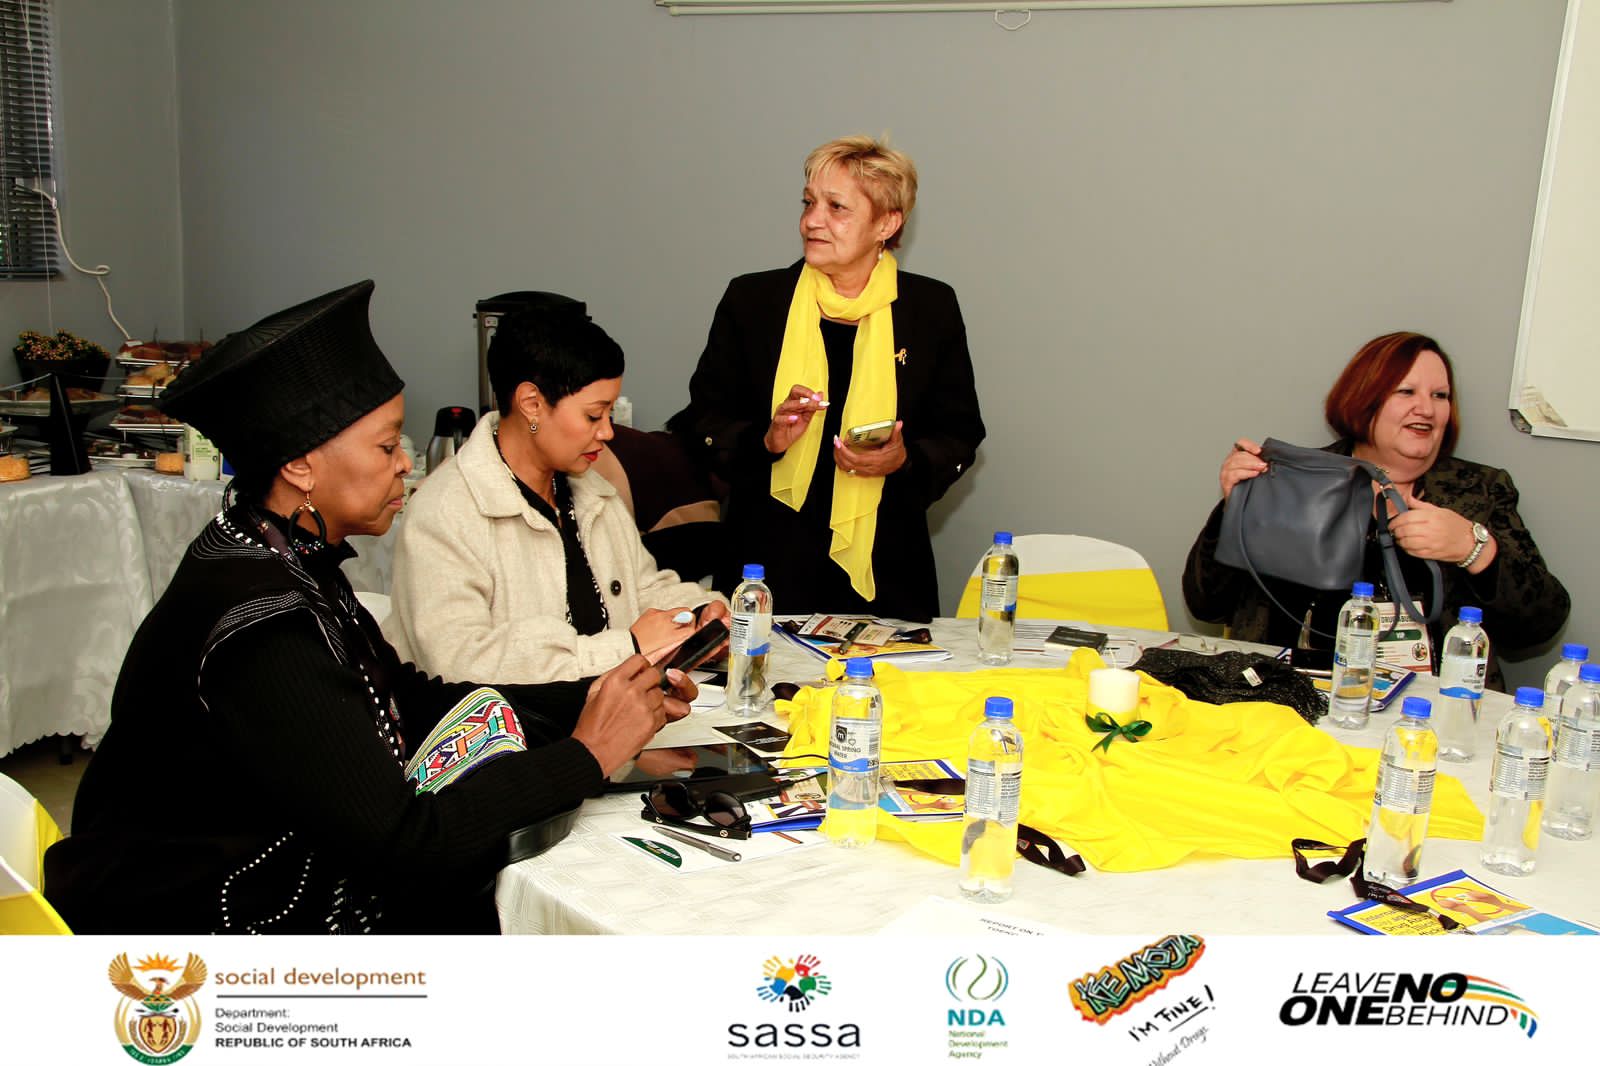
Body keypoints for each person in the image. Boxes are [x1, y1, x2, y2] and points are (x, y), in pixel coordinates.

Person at [42, 281, 697, 934]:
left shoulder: (282, 557)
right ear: (301, 466)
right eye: (386, 447)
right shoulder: (263, 625)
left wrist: (600, 698)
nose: (405, 464)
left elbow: (411, 696)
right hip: (204, 938)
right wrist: (586, 753)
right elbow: (407, 844)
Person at [668, 136, 984, 622]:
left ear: (887, 224)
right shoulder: (753, 301)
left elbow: (959, 433)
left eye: (836, 207)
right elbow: (701, 421)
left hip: (885, 566)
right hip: (767, 563)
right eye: (808, 203)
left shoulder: (930, 308)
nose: (812, 220)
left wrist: (904, 460)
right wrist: (765, 440)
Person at [1182, 331, 1569, 690]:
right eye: (1406, 391)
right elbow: (1206, 604)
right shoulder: (1292, 478)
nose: (1427, 409)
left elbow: (1538, 627)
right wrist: (1235, 508)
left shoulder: (1480, 490)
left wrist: (1475, 549)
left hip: (1432, 712)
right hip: (1289, 700)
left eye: (1440, 395)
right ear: (1364, 400)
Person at [385, 307, 727, 684]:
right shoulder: (445, 512)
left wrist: (697, 615)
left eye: (610, 414)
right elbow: (459, 662)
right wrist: (626, 647)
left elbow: (641, 588)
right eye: (593, 416)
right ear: (531, 404)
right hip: (518, 722)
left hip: (611, 709)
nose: (608, 432)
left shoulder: (592, 491)